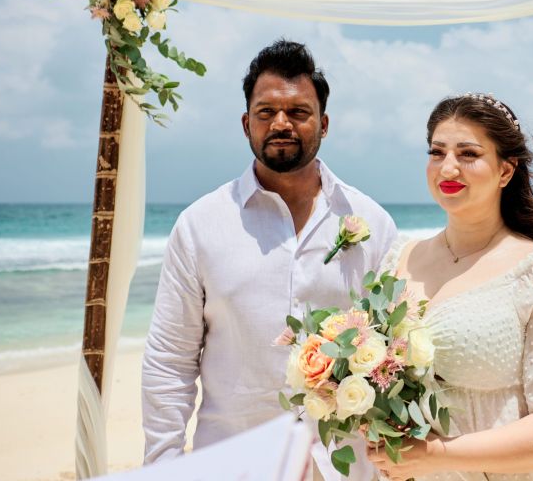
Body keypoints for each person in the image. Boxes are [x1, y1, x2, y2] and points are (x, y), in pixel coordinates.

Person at [141, 39, 397, 481]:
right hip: (232, 464)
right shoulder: (200, 225)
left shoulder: (371, 221)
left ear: (324, 123)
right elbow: (169, 359)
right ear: (246, 124)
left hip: (342, 467)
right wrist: (162, 465)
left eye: (298, 112)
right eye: (266, 112)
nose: (282, 123)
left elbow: (393, 357)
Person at [369, 93, 533, 480]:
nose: (448, 167)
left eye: (468, 153)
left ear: (505, 170)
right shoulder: (397, 261)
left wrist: (437, 454)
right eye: (437, 152)